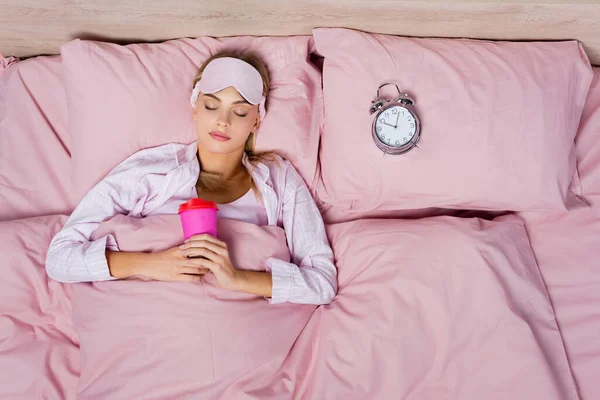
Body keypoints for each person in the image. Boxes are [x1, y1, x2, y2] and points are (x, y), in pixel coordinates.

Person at [45, 52, 337, 305]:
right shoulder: (151, 171)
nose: (223, 121)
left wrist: (237, 278)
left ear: (256, 120)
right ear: (195, 108)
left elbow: (321, 283)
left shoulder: (279, 180)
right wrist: (152, 264)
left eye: (239, 111)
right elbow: (60, 258)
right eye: (211, 106)